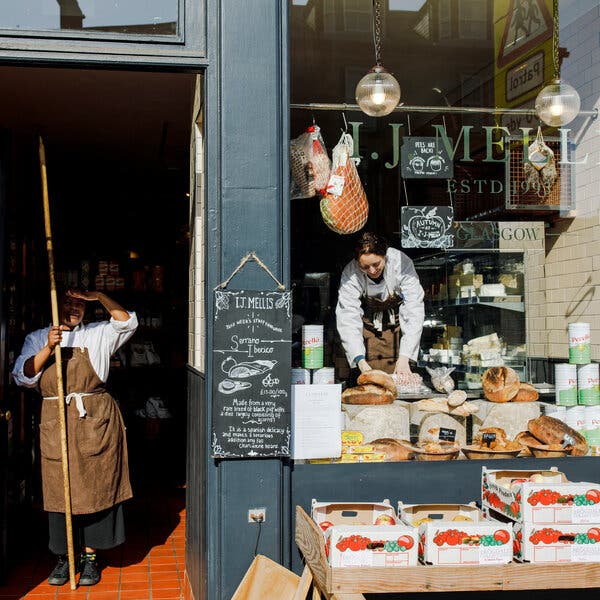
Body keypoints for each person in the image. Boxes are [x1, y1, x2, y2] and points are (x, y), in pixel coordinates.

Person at [12, 288, 138, 586]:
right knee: (59, 489)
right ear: (55, 306)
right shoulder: (36, 336)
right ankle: (66, 556)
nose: (73, 309)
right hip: (55, 421)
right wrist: (47, 347)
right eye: (68, 303)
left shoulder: (98, 333)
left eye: (79, 304)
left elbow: (127, 322)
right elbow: (23, 376)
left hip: (92, 419)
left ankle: (92, 557)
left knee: (94, 486)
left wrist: (98, 296)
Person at [336, 232, 424, 378]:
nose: (372, 271)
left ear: (384, 255)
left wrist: (405, 357)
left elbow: (413, 310)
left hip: (397, 330)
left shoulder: (401, 263)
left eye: (376, 264)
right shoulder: (351, 273)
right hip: (368, 331)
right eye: (365, 267)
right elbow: (347, 315)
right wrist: (359, 359)